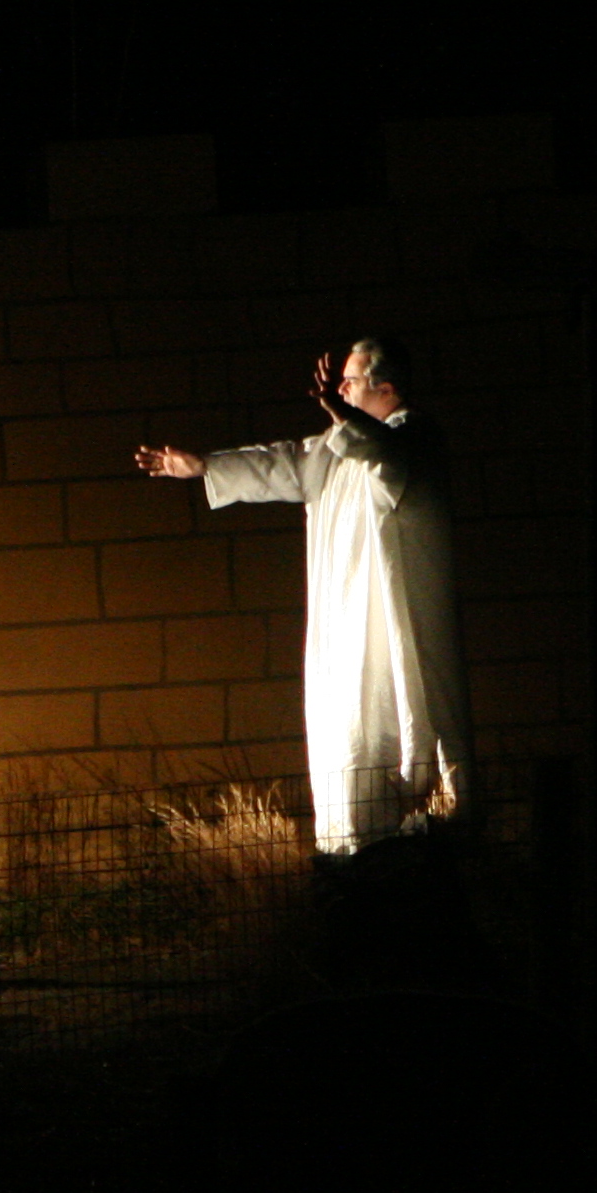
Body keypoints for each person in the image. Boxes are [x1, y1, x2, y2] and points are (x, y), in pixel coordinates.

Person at [135, 337, 470, 853]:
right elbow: (285, 462)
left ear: (386, 389)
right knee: (346, 729)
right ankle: (349, 849)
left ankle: (404, 842)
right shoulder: (337, 449)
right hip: (342, 623)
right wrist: (204, 466)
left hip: (387, 617)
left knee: (392, 717)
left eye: (350, 382)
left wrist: (341, 415)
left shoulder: (412, 438)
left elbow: (386, 456)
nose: (341, 390)